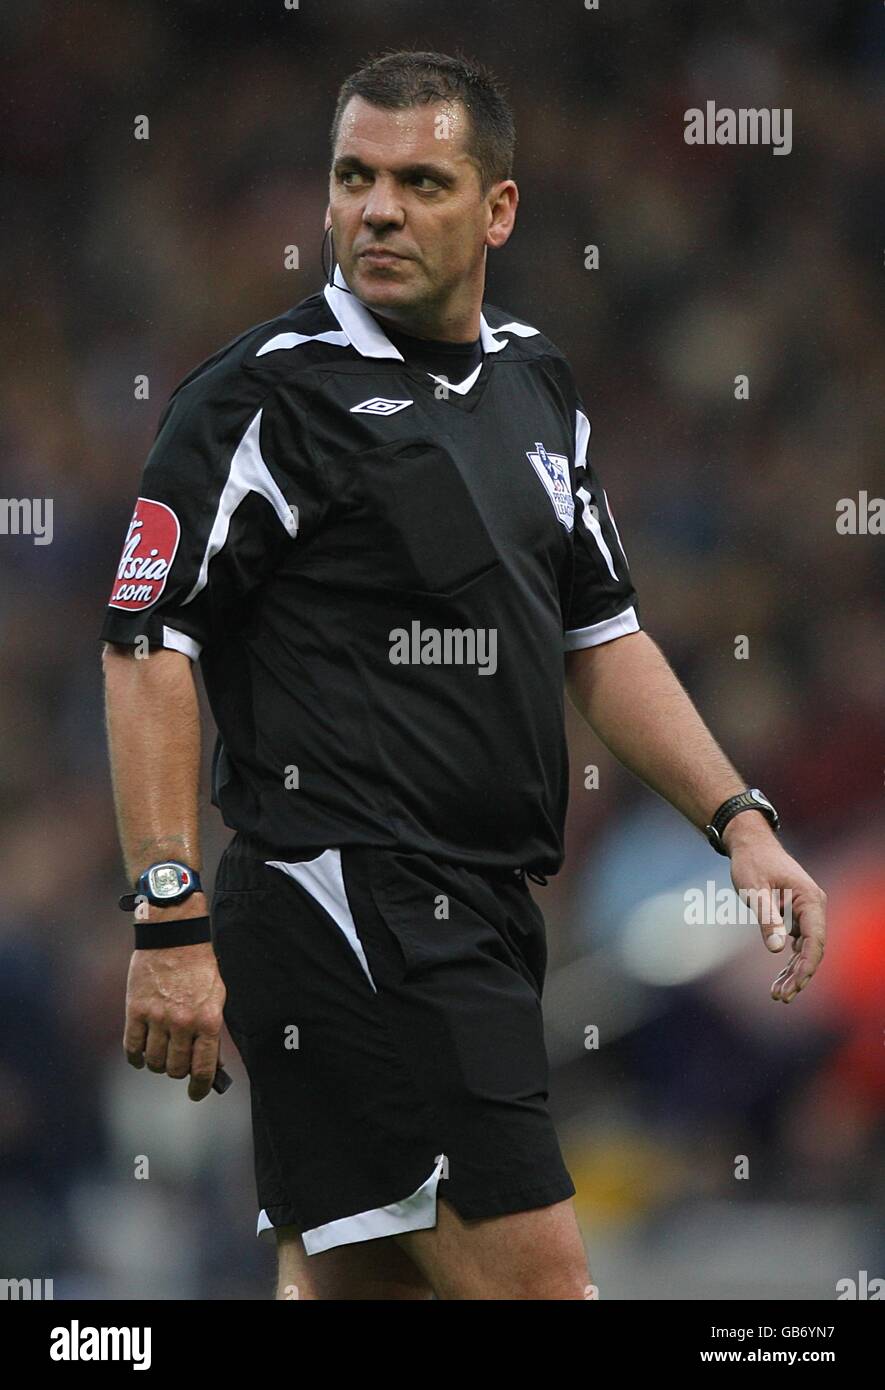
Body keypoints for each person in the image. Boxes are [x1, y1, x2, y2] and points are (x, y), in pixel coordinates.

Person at [99, 49, 827, 1300]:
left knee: (365, 1287)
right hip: (349, 900)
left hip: (484, 914)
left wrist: (739, 819)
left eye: (420, 180)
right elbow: (146, 639)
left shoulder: (538, 383)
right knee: (544, 1286)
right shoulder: (261, 398)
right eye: (353, 177)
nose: (377, 207)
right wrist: (168, 914)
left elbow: (602, 635)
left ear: (498, 209)